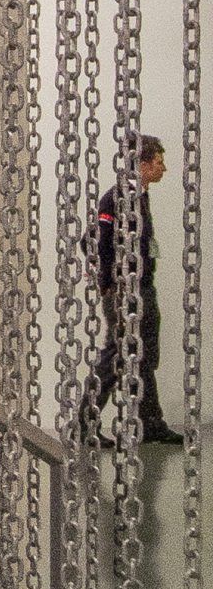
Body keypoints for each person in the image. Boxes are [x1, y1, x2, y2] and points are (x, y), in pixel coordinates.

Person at [83, 134, 183, 446]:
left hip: (142, 288)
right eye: (158, 162)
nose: (164, 168)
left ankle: (150, 424)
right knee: (116, 357)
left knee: (144, 358)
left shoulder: (140, 196)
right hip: (124, 291)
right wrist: (107, 283)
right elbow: (92, 241)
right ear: (142, 164)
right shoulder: (117, 198)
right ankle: (84, 423)